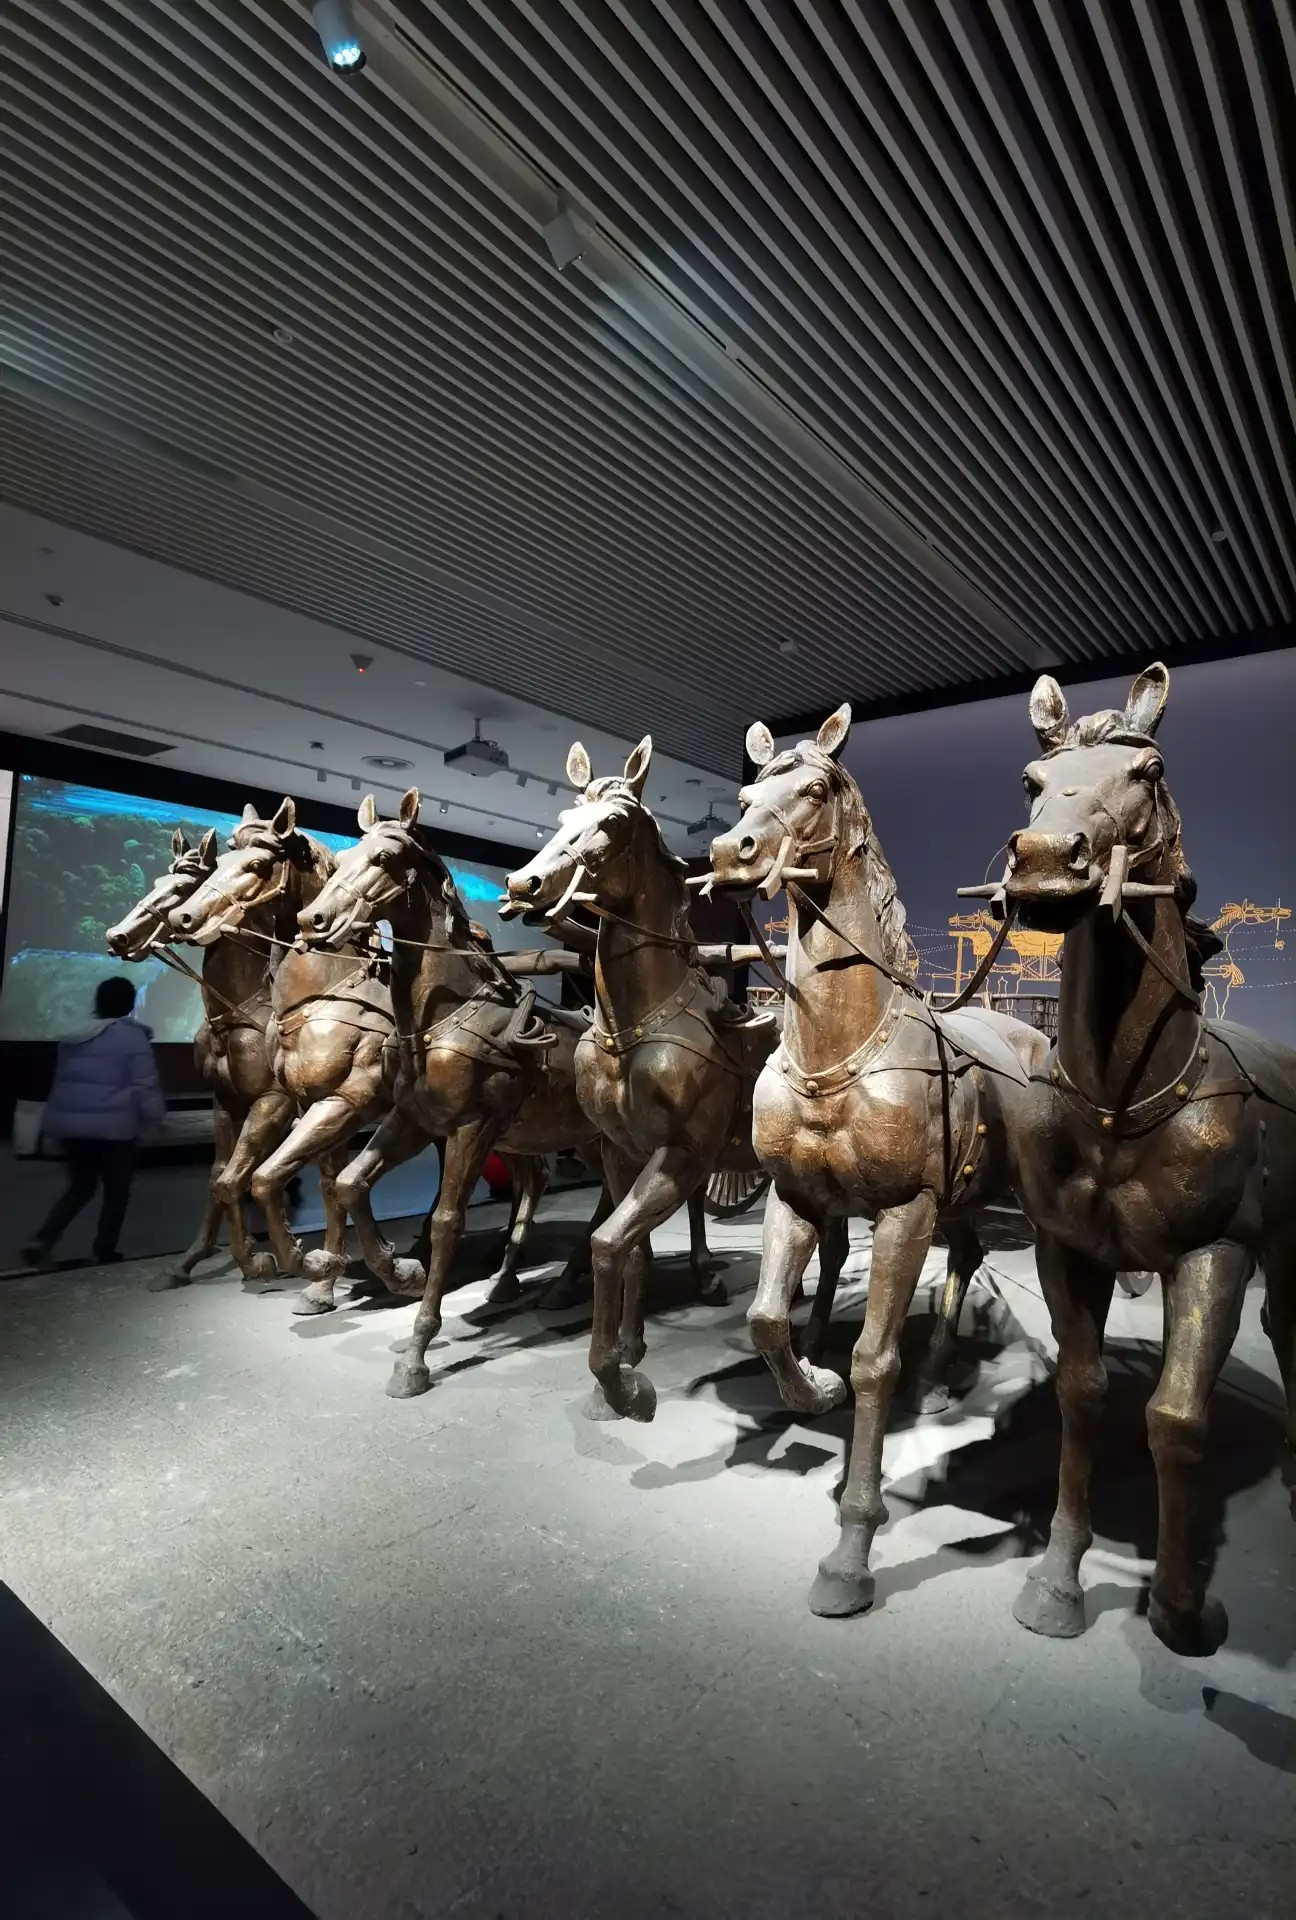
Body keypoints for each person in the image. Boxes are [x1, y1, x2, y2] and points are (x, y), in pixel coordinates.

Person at [23, 977, 165, 1271]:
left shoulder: (75, 1036)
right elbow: (145, 1086)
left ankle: (43, 1239)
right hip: (114, 1129)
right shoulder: (132, 1037)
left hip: (71, 1127)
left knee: (80, 1187)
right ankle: (105, 1250)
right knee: (116, 1192)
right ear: (129, 1004)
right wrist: (155, 1118)